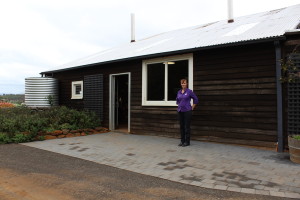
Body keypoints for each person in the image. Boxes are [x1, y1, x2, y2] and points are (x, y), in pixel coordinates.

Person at [176, 79, 198, 147]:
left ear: (187, 84)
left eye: (184, 83)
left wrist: (192, 107)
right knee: (181, 127)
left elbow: (196, 99)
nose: (183, 84)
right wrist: (179, 105)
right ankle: (182, 141)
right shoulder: (179, 92)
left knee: (186, 127)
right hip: (180, 111)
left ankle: (187, 142)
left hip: (187, 111)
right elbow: (177, 100)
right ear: (181, 84)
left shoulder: (189, 91)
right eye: (182, 83)